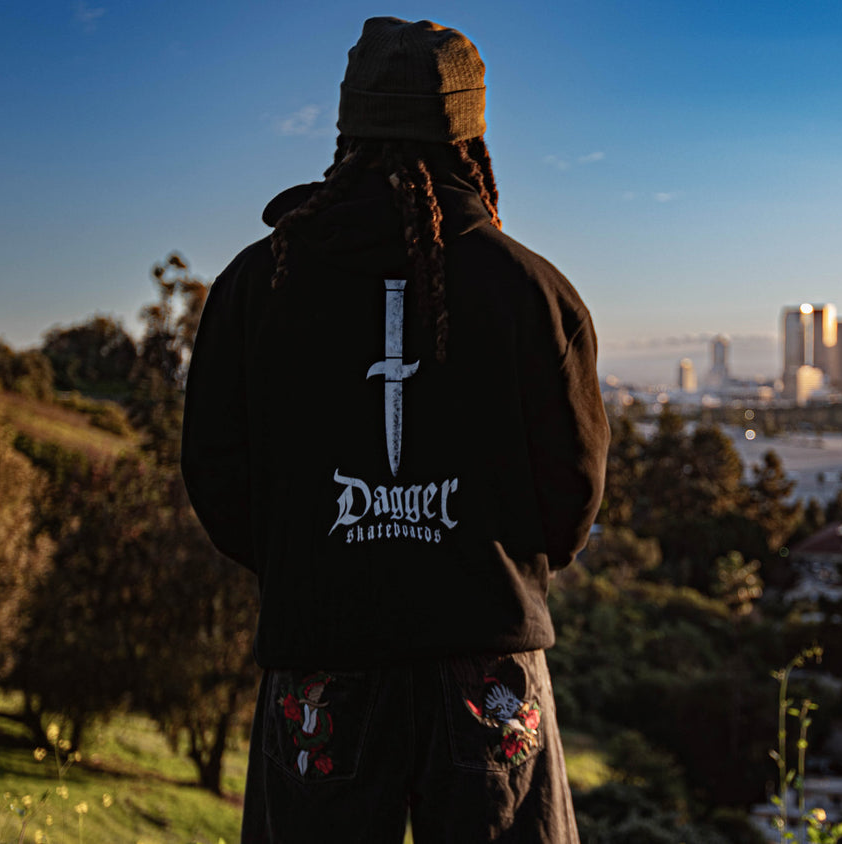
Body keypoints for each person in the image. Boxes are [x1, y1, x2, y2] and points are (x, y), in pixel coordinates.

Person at [181, 17, 608, 843]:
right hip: (487, 669)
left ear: (347, 131)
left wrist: (314, 558)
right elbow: (572, 499)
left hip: (324, 665)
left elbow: (218, 478)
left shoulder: (255, 286)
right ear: (472, 138)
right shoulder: (532, 292)